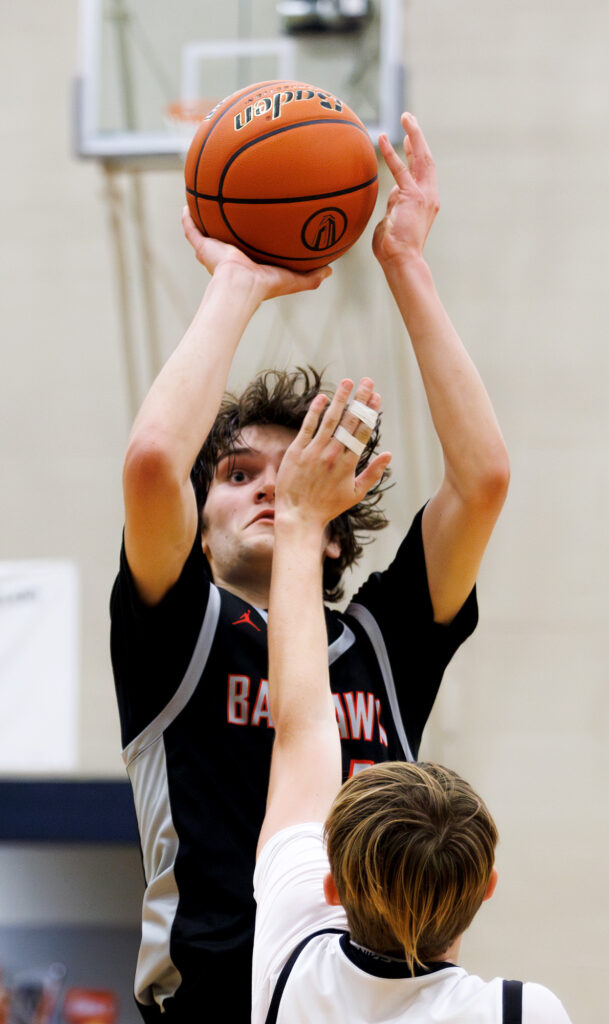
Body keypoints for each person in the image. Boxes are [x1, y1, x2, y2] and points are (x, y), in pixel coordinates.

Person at [110, 113, 509, 1022]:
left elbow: (481, 480)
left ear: (332, 526)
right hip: (213, 1000)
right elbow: (148, 463)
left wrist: (405, 264)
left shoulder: (381, 641)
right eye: (235, 474)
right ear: (199, 522)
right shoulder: (176, 628)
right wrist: (237, 283)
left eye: (287, 477)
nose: (264, 490)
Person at [252, 376, 571, 1023]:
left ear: (331, 888)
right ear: (485, 890)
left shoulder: (292, 964)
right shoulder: (520, 1011)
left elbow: (305, 724)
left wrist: (299, 515)